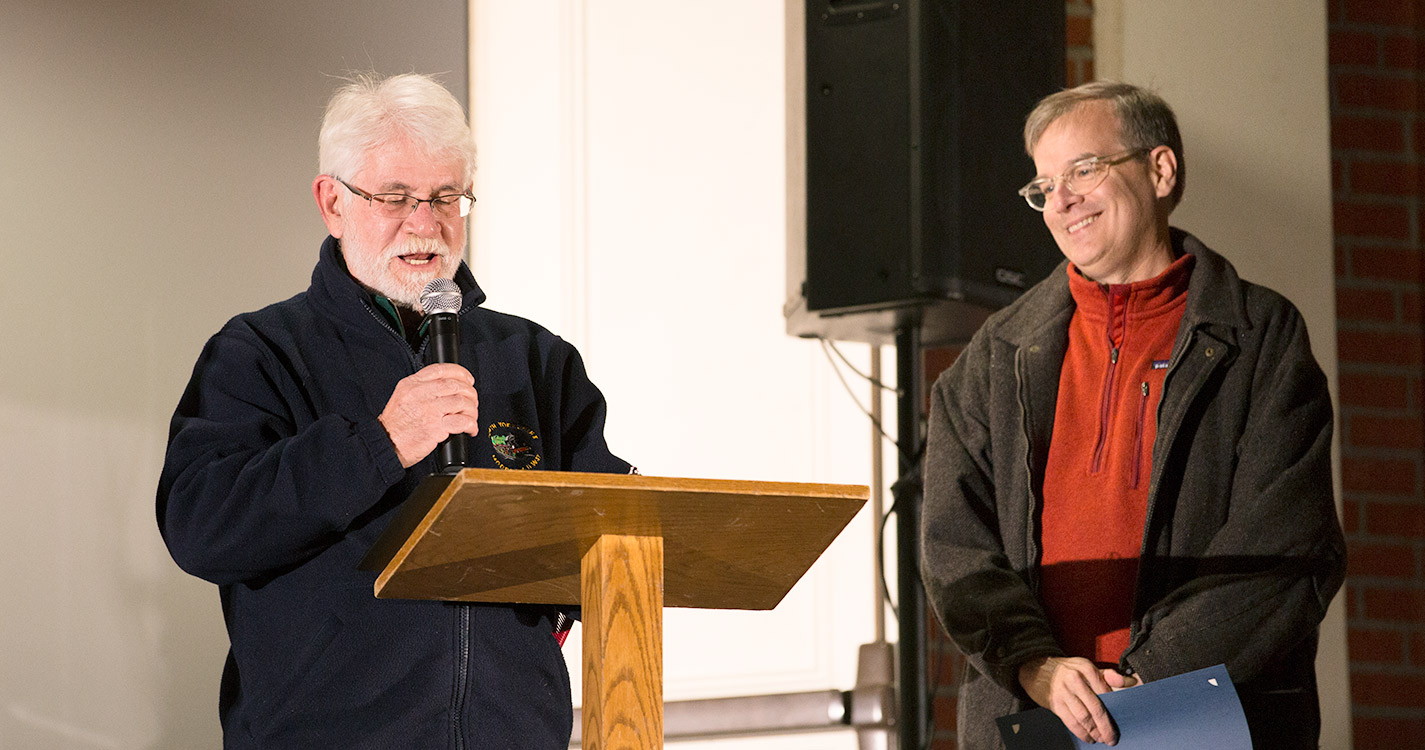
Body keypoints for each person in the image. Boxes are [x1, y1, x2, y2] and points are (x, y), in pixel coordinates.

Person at [156, 72, 632, 749]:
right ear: (332, 203)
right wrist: (379, 444)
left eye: (445, 197)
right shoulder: (260, 351)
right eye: (396, 197)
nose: (425, 223)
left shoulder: (536, 360)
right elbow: (201, 527)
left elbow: (606, 543)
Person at [919, 81, 1345, 750]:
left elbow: (1288, 546)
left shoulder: (1260, 336)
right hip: (1039, 725)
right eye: (1043, 185)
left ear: (1160, 169)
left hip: (1205, 720)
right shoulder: (990, 360)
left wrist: (1147, 685)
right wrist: (1035, 667)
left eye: (1083, 170)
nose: (1061, 200)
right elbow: (955, 552)